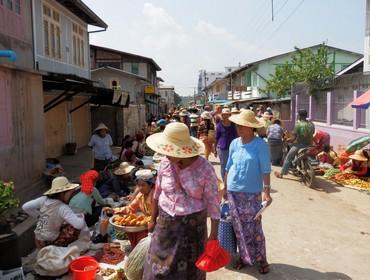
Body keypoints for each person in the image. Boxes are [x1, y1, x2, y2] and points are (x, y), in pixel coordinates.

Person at [143, 122, 220, 279]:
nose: (166, 153)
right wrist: (152, 218)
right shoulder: (165, 163)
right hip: (165, 226)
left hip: (192, 230)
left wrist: (213, 235)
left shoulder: (204, 168)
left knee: (188, 273)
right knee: (157, 271)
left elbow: (213, 204)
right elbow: (158, 191)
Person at [225, 109, 272, 274]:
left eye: (243, 126)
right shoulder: (234, 143)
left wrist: (267, 191)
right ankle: (244, 258)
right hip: (233, 192)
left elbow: (266, 169)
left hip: (252, 194)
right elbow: (228, 167)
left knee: (254, 228)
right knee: (238, 227)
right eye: (238, 125)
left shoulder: (260, 145)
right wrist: (224, 187)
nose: (239, 129)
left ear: (252, 127)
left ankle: (261, 259)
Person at [22, 177, 86, 249]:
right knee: (75, 227)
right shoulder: (62, 207)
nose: (70, 195)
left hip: (38, 239)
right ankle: (65, 248)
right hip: (51, 241)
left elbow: (25, 207)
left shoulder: (43, 199)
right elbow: (79, 225)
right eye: (70, 193)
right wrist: (81, 215)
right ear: (63, 193)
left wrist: (39, 216)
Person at [105, 169, 156, 248]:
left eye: (143, 185)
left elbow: (158, 215)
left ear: (150, 185)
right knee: (132, 231)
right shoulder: (140, 196)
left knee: (141, 236)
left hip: (156, 225)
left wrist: (148, 221)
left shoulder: (155, 197)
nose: (140, 188)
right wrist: (114, 210)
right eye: (139, 185)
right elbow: (130, 208)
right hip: (146, 224)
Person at [275, 109, 315, 178]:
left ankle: (281, 174)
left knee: (288, 157)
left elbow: (294, 137)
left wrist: (288, 139)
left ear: (299, 116)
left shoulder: (298, 125)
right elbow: (313, 133)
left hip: (299, 145)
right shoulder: (311, 124)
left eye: (298, 115)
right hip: (309, 144)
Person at [215, 108, 238, 180]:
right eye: (224, 115)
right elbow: (216, 137)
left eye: (227, 115)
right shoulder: (219, 125)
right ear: (222, 115)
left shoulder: (234, 125)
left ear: (230, 115)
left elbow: (236, 136)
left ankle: (231, 179)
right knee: (224, 165)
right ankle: (224, 180)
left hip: (233, 147)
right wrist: (215, 149)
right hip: (222, 148)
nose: (225, 116)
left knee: (233, 164)